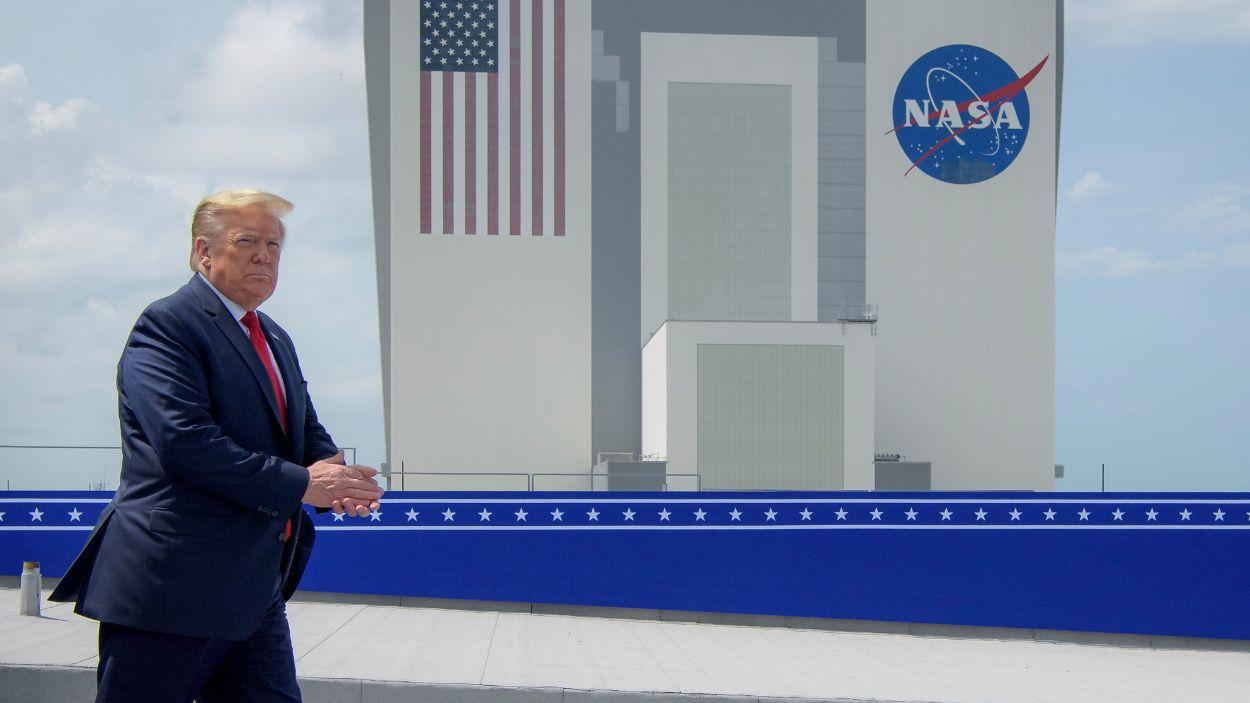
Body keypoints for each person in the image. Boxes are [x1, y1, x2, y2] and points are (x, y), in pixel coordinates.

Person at [50, 189, 384, 702]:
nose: (264, 255)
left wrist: (337, 476)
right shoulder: (167, 325)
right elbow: (185, 443)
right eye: (247, 240)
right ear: (203, 252)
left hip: (253, 593)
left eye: (274, 244)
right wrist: (303, 484)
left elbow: (305, 431)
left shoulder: (275, 337)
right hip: (171, 592)